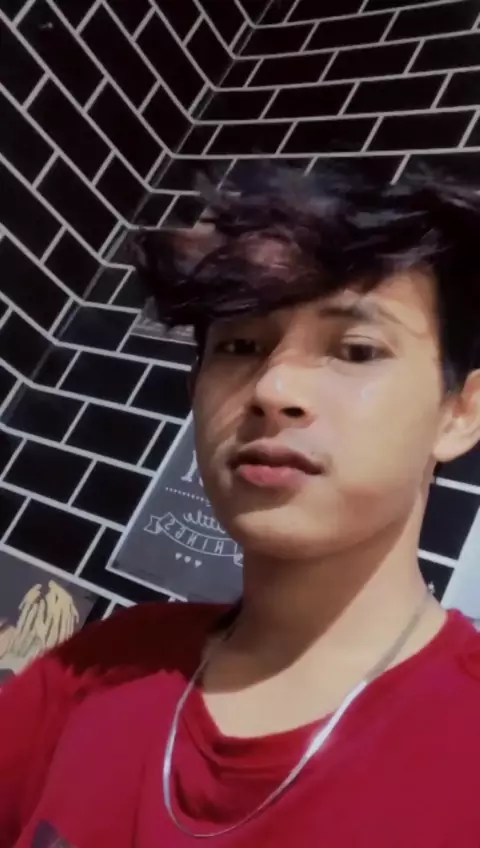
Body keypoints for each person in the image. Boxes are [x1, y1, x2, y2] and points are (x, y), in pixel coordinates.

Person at [1, 163, 480, 847]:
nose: (273, 389)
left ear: (460, 415)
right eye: (240, 346)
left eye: (355, 349)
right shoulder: (101, 665)